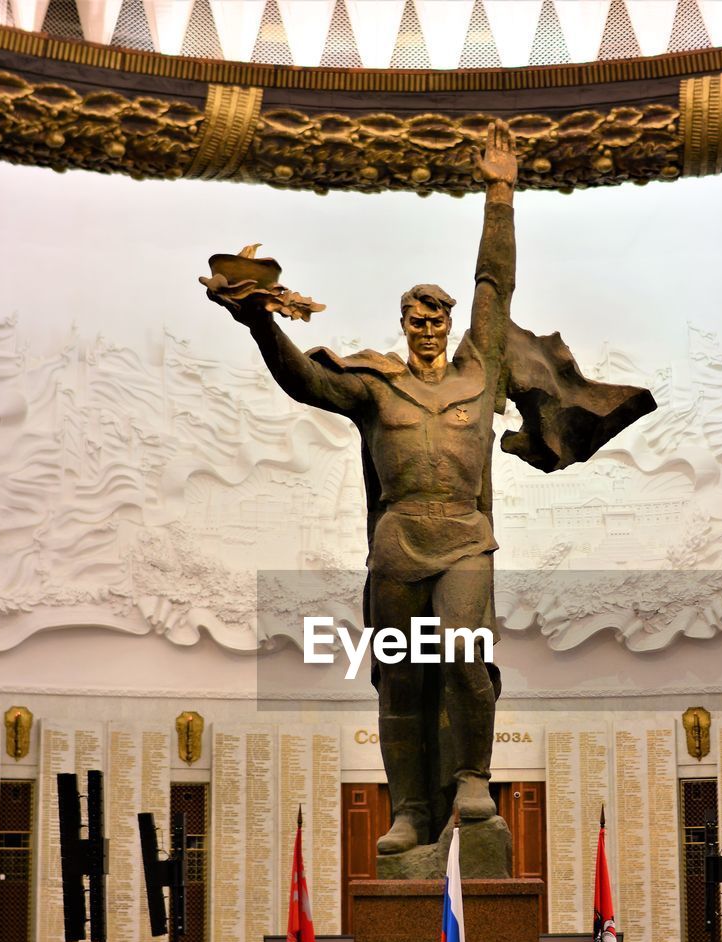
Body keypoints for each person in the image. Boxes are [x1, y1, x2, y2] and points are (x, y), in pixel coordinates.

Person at [209, 121, 517, 855]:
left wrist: (500, 195)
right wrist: (259, 324)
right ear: (403, 324)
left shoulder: (483, 370)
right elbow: (304, 381)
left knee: (463, 651)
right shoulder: (377, 386)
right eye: (415, 317)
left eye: (438, 315)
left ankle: (473, 777)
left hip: (464, 538)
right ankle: (410, 808)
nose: (427, 326)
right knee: (401, 682)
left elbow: (496, 285)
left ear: (450, 323)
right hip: (399, 542)